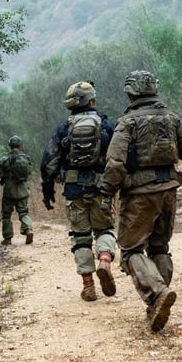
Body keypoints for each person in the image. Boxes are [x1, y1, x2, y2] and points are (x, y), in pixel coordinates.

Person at [98, 70, 182, 332]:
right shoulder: (171, 118)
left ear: (131, 93)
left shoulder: (128, 122)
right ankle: (156, 305)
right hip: (169, 190)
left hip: (140, 194)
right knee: (160, 248)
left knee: (131, 250)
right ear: (154, 90)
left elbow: (115, 162)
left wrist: (107, 192)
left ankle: (156, 294)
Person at [41, 81, 119, 302]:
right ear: (92, 101)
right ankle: (104, 259)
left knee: (81, 238)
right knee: (104, 229)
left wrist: (48, 190)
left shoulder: (63, 129)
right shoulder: (106, 125)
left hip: (74, 191)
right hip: (101, 190)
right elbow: (120, 156)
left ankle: (88, 286)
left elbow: (48, 163)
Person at [0, 135, 34, 246]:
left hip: (9, 191)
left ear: (10, 146)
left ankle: (7, 239)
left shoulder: (5, 159)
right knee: (23, 212)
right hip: (23, 189)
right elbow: (29, 173)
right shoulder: (26, 158)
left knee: (6, 214)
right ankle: (28, 229)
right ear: (20, 146)